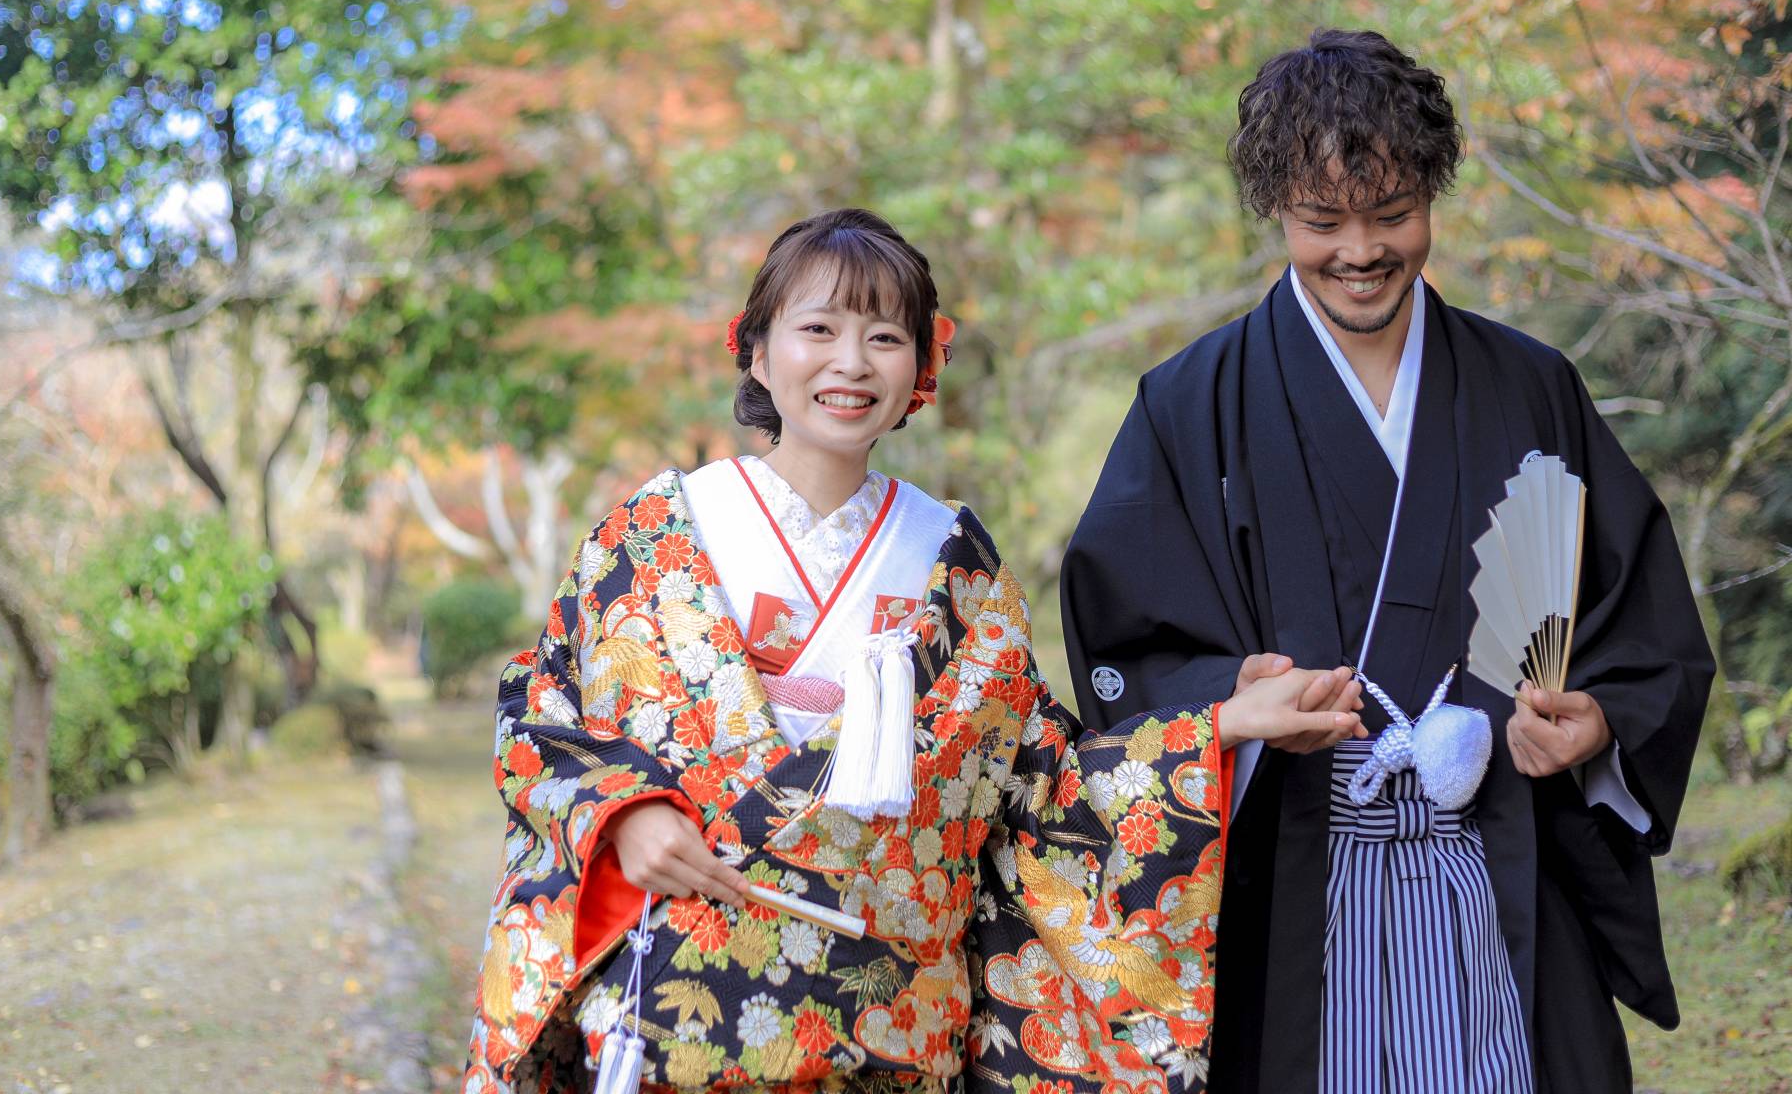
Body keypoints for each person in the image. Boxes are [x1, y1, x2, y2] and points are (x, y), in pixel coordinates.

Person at [461, 207, 1363, 1093]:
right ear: (758, 351)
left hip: (889, 1031)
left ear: (922, 369)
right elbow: (545, 713)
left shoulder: (952, 561)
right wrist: (624, 814)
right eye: (818, 329)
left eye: (886, 337)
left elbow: (1040, 787)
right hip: (675, 1018)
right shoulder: (654, 532)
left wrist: (1219, 727)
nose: (851, 363)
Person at [1060, 29, 1713, 1094]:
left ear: (1434, 196)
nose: (1361, 249)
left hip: (1502, 865)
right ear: (1277, 209)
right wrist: (1235, 702)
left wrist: (1596, 723)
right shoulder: (1190, 404)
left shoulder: (1530, 386)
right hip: (1292, 883)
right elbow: (1125, 652)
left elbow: (1643, 626)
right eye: (1324, 222)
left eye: (1394, 215)